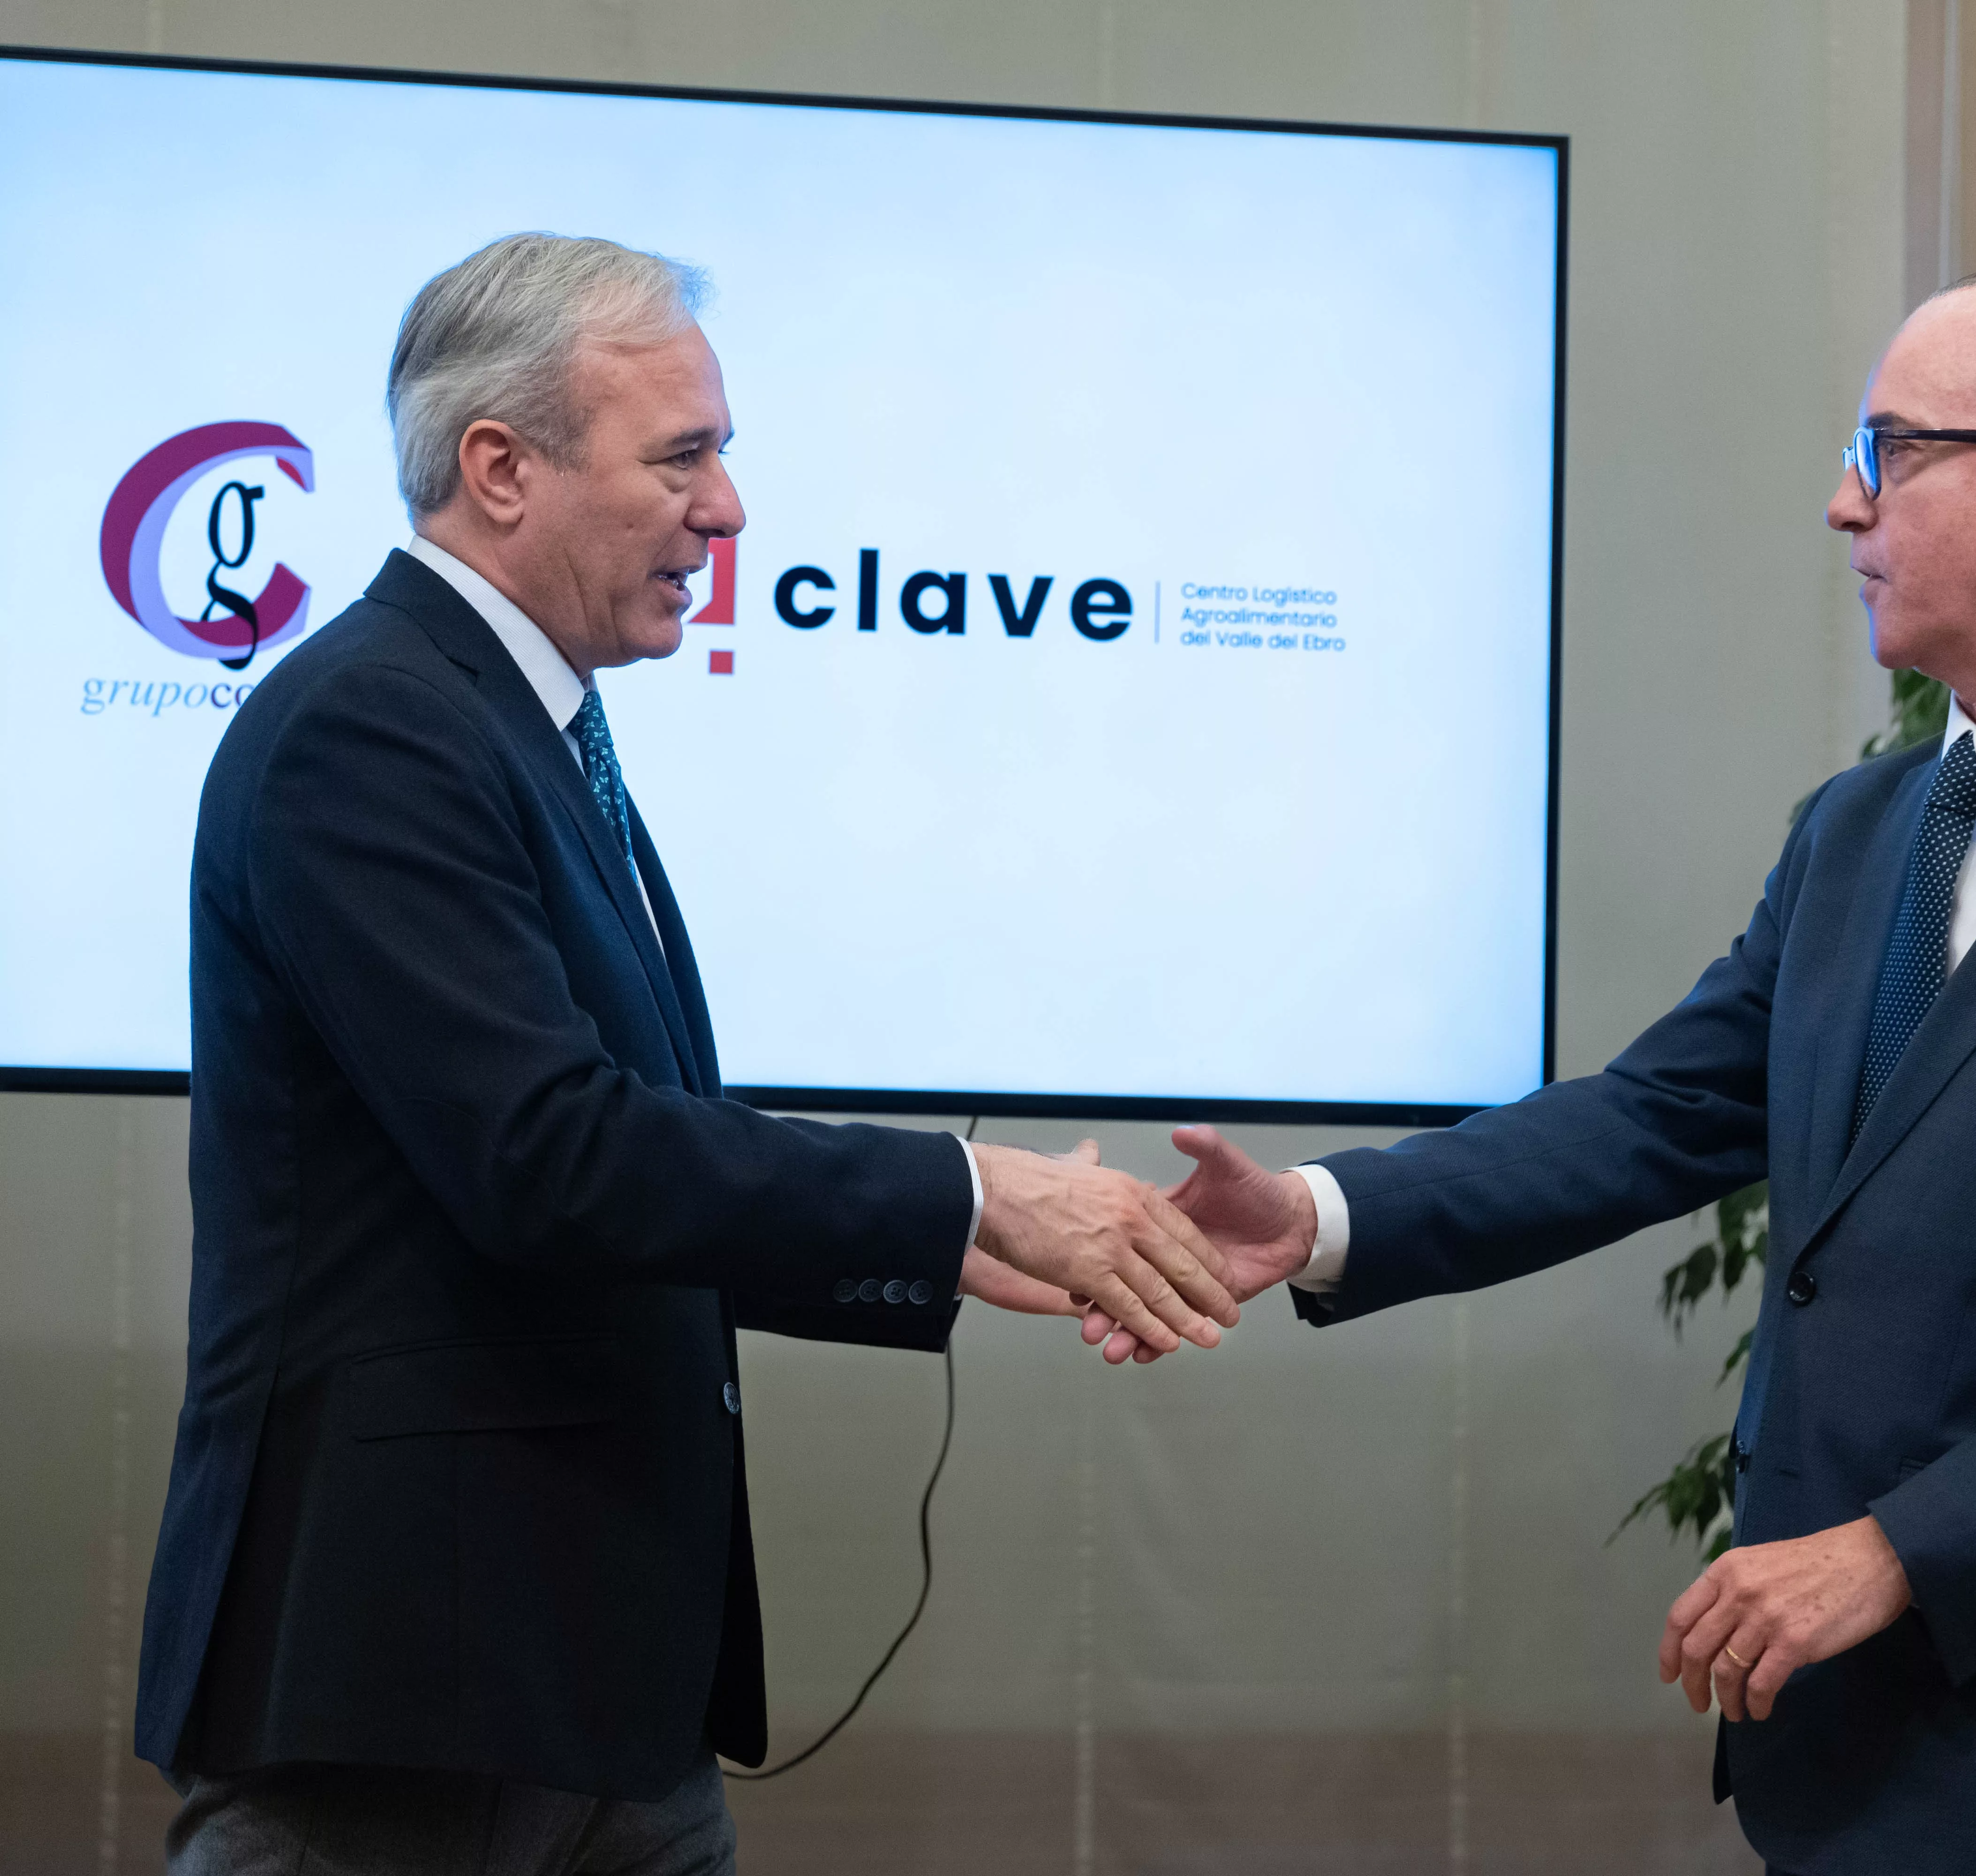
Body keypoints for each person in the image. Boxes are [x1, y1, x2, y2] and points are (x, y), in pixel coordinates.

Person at [1101, 266, 1976, 1872]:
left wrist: (1907, 1552)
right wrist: (1316, 1218)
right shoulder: (1863, 832)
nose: (1842, 504)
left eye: (1891, 448)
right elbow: (1659, 1115)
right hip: (1832, 1769)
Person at [141, 233, 1239, 1876]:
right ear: (500, 470)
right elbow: (548, 1158)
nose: (728, 511)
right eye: (683, 457)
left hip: (592, 1681)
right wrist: (958, 1194)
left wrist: (946, 1243)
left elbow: (647, 1152)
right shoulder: (372, 724)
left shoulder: (528, 721)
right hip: (415, 1684)